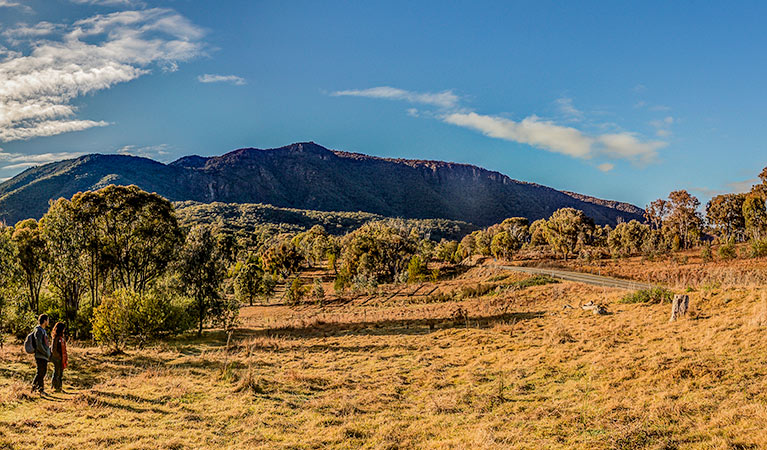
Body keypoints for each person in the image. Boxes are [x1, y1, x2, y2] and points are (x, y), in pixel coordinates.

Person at [31, 314, 51, 394]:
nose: (48, 322)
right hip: (40, 355)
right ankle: (39, 389)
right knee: (40, 372)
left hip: (44, 355)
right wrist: (45, 352)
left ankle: (37, 388)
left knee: (43, 372)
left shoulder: (43, 330)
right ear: (45, 321)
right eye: (48, 320)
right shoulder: (38, 330)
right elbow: (38, 344)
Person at [50, 322, 68, 393]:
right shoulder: (56, 338)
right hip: (57, 358)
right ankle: (55, 387)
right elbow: (53, 349)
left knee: (60, 373)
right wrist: (58, 356)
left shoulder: (62, 337)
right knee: (57, 372)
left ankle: (59, 387)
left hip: (61, 358)